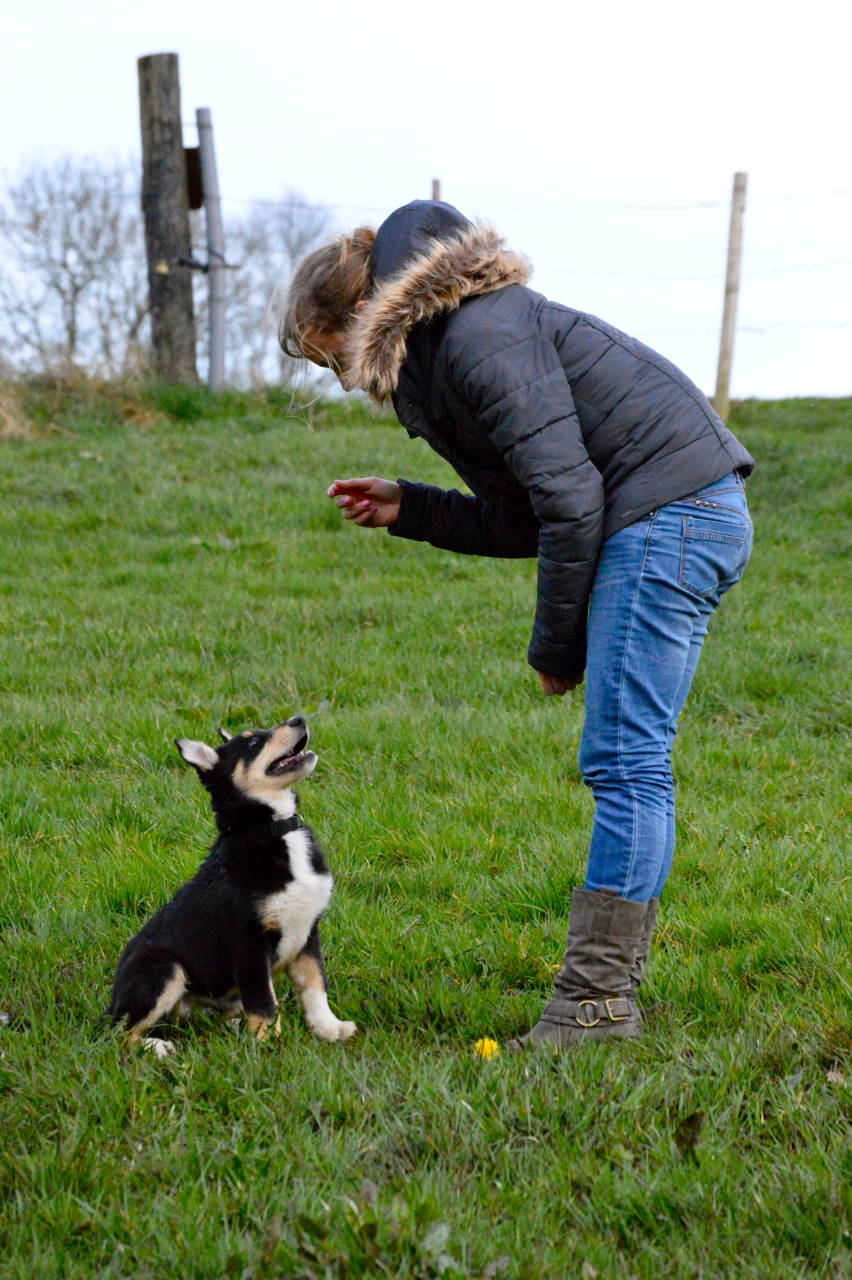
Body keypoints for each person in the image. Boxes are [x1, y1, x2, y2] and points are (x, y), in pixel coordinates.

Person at [279, 200, 754, 1049]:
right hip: (673, 512)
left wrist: (555, 649)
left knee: (627, 761)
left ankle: (596, 1006)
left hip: (672, 515)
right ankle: (602, 999)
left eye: (330, 358)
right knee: (630, 760)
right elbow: (529, 514)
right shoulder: (449, 349)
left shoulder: (477, 339)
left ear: (358, 316)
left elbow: (570, 503)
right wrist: (412, 508)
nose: (345, 380)